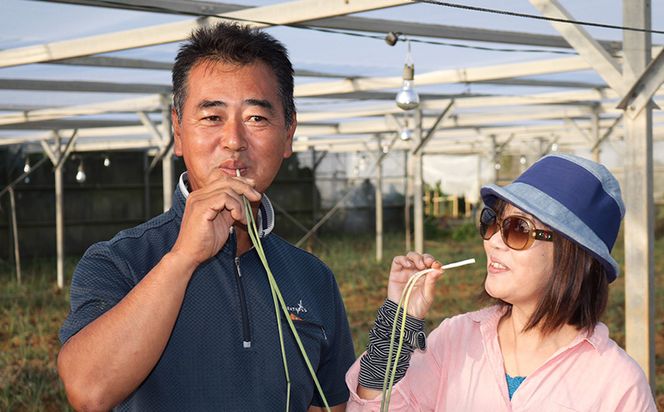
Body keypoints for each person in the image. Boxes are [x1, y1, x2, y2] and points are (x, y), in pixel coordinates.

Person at [57, 22, 355, 411]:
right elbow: (89, 392)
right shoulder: (120, 261)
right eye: (212, 117)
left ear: (288, 134)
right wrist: (182, 258)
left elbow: (330, 404)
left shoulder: (312, 278)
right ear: (178, 130)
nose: (233, 139)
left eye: (257, 118)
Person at [345, 153, 657, 411]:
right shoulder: (455, 340)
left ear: (576, 257)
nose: (492, 241)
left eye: (518, 229)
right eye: (492, 222)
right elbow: (373, 405)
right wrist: (397, 325)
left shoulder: (618, 385)